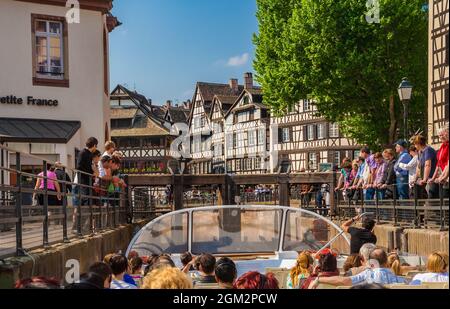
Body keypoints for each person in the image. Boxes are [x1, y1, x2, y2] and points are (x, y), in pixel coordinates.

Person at [310, 248, 406, 288]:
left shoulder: (368, 274)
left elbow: (344, 281)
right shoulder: (402, 281)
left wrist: (318, 279)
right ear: (386, 263)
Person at [73, 137, 98, 230]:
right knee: (85, 203)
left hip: (88, 182)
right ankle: (79, 227)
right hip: (84, 182)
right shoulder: (83, 153)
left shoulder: (89, 154)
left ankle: (81, 227)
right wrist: (91, 172)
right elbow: (79, 167)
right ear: (94, 145)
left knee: (87, 203)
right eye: (96, 146)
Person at [430, 124, 449, 198]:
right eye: (439, 135)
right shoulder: (442, 146)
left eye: (442, 135)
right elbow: (438, 164)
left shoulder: (448, 145)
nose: (441, 137)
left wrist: (443, 177)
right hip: (445, 176)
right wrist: (434, 178)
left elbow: (448, 163)